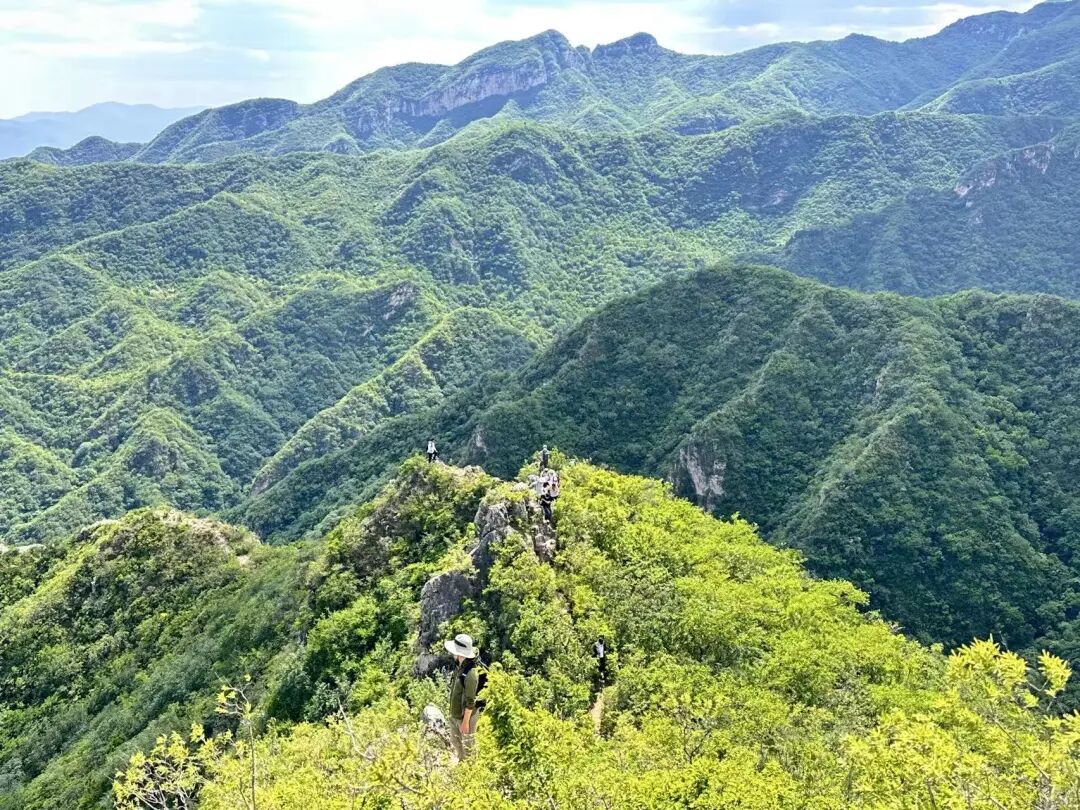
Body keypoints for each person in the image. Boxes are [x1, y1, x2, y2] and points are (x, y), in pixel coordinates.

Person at [445, 633, 480, 760]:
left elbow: (471, 701)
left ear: (460, 653)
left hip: (466, 717)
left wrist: (465, 723)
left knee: (468, 748)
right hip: (456, 714)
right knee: (457, 744)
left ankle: (470, 772)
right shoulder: (460, 666)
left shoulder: (471, 673)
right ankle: (462, 766)